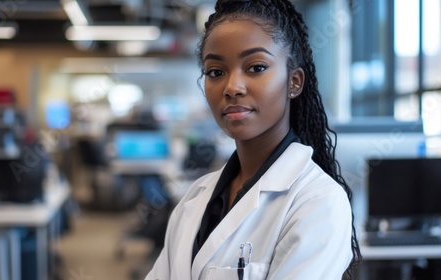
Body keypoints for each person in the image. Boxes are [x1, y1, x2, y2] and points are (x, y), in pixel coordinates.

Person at [146, 0, 361, 279]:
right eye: (216, 72)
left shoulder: (318, 202)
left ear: (294, 82)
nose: (232, 87)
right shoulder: (195, 197)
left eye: (256, 67)